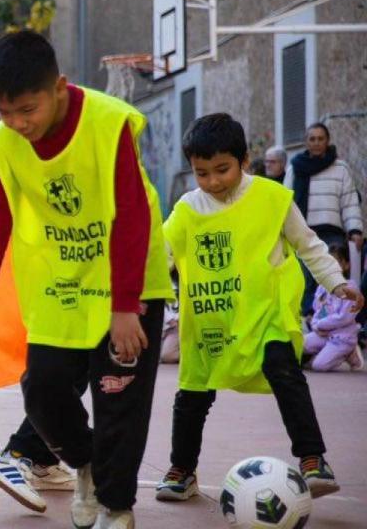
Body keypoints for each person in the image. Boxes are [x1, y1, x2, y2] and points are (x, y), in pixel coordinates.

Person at [0, 30, 174, 528]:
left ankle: (117, 507)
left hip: (128, 278)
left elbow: (132, 215)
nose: (16, 124)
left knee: (118, 397)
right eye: (4, 113)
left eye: (27, 110)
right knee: (43, 388)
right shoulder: (5, 143)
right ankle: (87, 463)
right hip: (62, 284)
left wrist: (124, 307)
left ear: (59, 88)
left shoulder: (107, 122)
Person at [156, 113, 363, 505]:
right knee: (192, 396)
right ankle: (182, 470)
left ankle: (312, 458)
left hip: (265, 315)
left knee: (286, 373)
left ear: (244, 161)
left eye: (222, 169)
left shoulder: (272, 199)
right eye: (202, 173)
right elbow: (159, 255)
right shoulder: (187, 209)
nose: (213, 181)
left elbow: (309, 245)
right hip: (209, 323)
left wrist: (337, 282)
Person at [285, 122, 364, 315]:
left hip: (332, 232)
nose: (316, 143)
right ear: (306, 142)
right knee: (305, 278)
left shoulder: (340, 168)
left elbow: (349, 201)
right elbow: (285, 202)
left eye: (321, 139)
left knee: (331, 275)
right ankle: (310, 320)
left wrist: (354, 229)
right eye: (312, 139)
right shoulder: (295, 168)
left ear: (327, 141)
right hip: (302, 231)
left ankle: (334, 320)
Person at [303, 243, 363, 372]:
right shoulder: (322, 287)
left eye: (336, 263)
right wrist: (315, 325)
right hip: (322, 333)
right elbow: (317, 310)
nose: (331, 268)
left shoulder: (351, 288)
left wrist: (320, 325)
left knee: (318, 366)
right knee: (299, 344)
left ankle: (349, 352)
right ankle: (325, 351)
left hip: (341, 338)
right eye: (328, 263)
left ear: (346, 265)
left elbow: (343, 318)